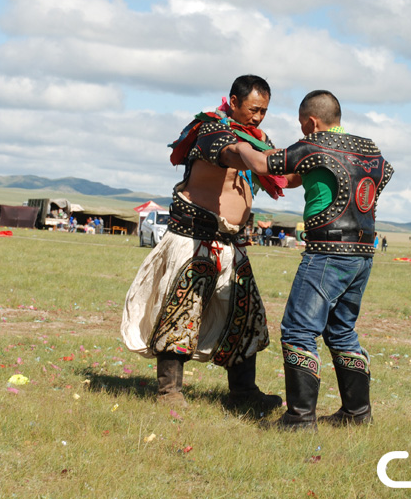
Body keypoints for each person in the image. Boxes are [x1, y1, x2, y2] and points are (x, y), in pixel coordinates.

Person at [121, 74, 288, 412]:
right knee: (181, 311)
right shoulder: (210, 129)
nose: (257, 118)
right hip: (193, 239)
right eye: (253, 109)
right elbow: (230, 155)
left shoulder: (257, 139)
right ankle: (169, 391)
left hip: (231, 243)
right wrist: (259, 155)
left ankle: (242, 393)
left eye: (264, 112)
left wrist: (316, 159)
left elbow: (280, 169)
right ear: (234, 101)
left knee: (246, 314)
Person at [236, 89, 393, 430]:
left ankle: (299, 416)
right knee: (342, 332)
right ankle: (356, 413)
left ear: (311, 121)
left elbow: (265, 163)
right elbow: (305, 177)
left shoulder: (314, 143)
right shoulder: (370, 150)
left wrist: (239, 147)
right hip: (362, 254)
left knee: (298, 331)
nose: (303, 133)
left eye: (302, 127)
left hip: (326, 252)